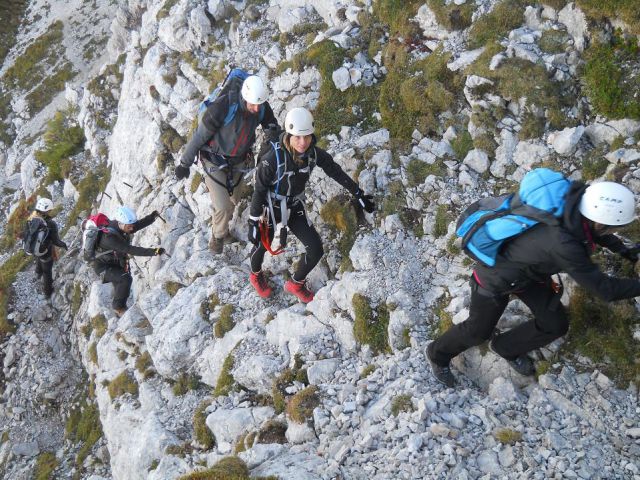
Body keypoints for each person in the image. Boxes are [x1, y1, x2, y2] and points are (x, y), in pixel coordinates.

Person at [426, 180, 640, 387]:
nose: (615, 231)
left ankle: (505, 347)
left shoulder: (574, 204)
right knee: (477, 331)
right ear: (602, 221)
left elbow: (593, 233)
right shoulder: (564, 243)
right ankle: (437, 354)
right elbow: (605, 289)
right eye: (614, 227)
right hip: (496, 278)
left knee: (555, 324)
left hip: (528, 276)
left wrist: (626, 252)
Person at [247, 107, 375, 303]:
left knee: (316, 249)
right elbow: (259, 189)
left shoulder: (314, 154)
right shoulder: (272, 159)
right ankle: (255, 274)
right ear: (289, 134)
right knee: (262, 244)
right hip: (269, 207)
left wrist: (358, 193)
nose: (302, 142)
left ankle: (296, 283)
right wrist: (253, 221)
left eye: (307, 136)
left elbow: (334, 170)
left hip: (293, 205)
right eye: (297, 137)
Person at [174, 74, 281, 254]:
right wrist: (184, 164)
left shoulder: (261, 106)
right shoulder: (223, 107)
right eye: (253, 104)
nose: (256, 108)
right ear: (244, 97)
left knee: (234, 200)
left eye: (259, 104)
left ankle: (222, 227)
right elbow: (199, 136)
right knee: (223, 206)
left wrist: (275, 140)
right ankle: (217, 238)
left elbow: (272, 127)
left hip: (239, 161)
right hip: (213, 160)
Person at [92, 206, 165, 317]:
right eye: (129, 226)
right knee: (125, 279)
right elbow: (130, 249)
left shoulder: (121, 226)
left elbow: (136, 226)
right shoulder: (109, 238)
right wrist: (154, 251)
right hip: (103, 267)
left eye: (131, 226)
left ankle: (120, 307)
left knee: (121, 284)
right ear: (121, 223)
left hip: (115, 262)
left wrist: (152, 217)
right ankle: (118, 308)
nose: (131, 229)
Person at [25, 198, 68, 298]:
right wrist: (64, 245)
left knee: (38, 258)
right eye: (50, 210)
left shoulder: (32, 217)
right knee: (47, 271)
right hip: (45, 251)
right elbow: (56, 241)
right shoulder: (51, 224)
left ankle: (37, 273)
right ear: (47, 210)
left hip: (33, 248)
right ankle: (48, 292)